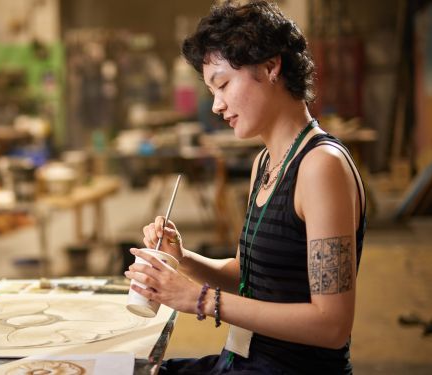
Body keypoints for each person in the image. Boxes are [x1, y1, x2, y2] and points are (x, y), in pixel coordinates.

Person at [124, 2, 366, 374]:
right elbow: (248, 275)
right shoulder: (266, 163)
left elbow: (331, 326)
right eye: (211, 91)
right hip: (244, 361)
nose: (217, 106)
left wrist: (200, 299)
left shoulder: (321, 167)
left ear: (271, 67)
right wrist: (184, 258)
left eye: (222, 84)